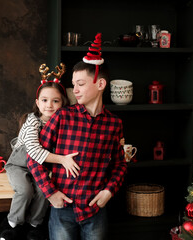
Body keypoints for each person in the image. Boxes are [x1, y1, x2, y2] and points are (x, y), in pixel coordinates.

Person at [27, 33, 127, 240]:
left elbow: (120, 164)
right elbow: (34, 157)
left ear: (100, 84)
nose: (75, 89)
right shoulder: (62, 117)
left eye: (80, 84)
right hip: (63, 207)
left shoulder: (114, 124)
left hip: (95, 210)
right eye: (74, 84)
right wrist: (50, 192)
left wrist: (109, 191)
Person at [0, 63, 80, 240]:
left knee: (44, 190)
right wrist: (62, 160)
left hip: (41, 169)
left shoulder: (62, 125)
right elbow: (35, 152)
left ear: (63, 103)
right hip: (19, 166)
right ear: (37, 102)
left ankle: (34, 226)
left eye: (55, 101)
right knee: (25, 191)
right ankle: (12, 225)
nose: (49, 105)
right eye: (44, 100)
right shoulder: (32, 122)